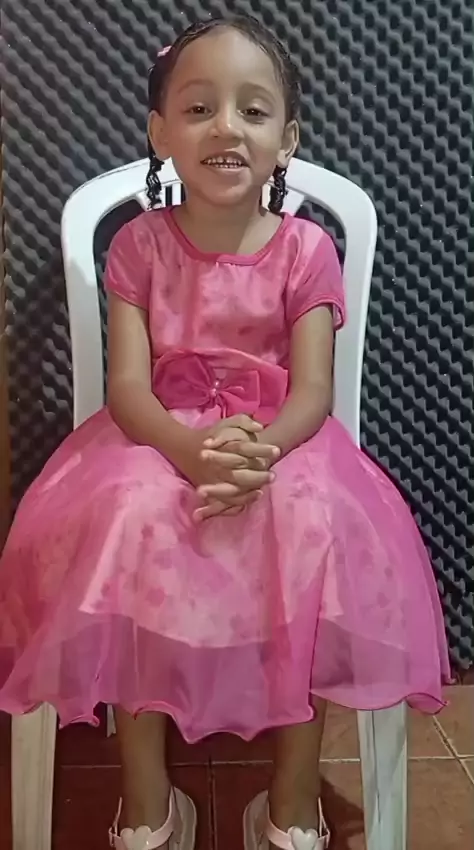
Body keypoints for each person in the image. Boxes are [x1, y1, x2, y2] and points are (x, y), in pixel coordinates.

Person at [0, 14, 451, 850]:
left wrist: (258, 454)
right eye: (199, 107)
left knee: (310, 520)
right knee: (128, 516)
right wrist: (190, 451)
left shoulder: (307, 249)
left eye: (253, 109)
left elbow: (312, 391)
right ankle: (147, 802)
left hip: (281, 439)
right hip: (157, 436)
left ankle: (292, 806)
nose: (226, 127)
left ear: (287, 139)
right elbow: (127, 389)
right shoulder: (137, 245)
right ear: (160, 133)